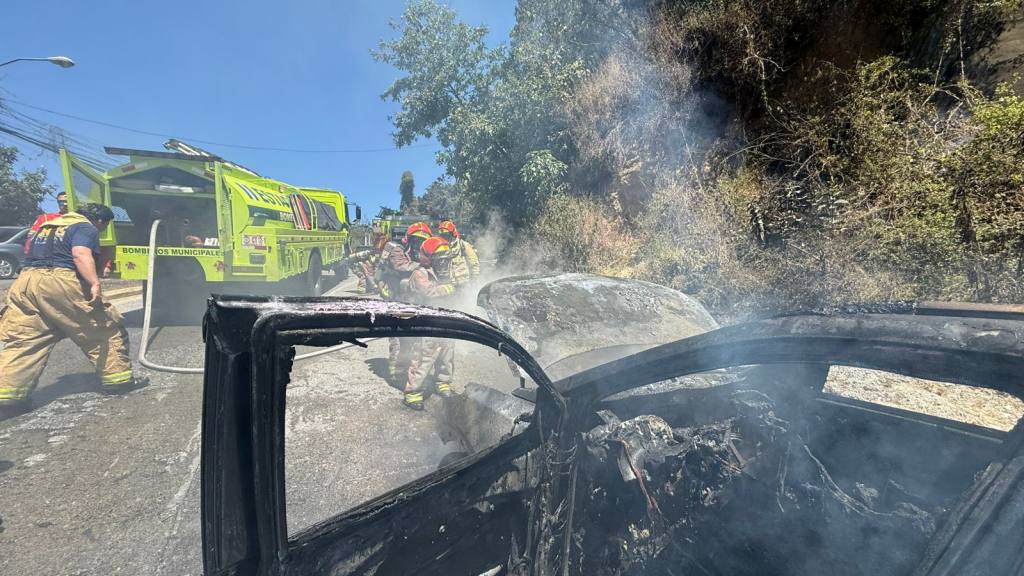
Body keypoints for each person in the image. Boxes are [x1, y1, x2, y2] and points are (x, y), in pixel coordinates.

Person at [0, 203, 147, 418]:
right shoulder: (85, 227)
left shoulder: (48, 226)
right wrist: (94, 283)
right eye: (104, 227)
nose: (102, 231)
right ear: (99, 220)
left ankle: (8, 397)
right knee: (102, 330)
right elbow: (79, 253)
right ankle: (118, 381)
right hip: (60, 280)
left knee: (26, 339)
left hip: (26, 282)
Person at [401, 236, 456, 410]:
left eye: (446, 260)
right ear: (430, 259)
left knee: (447, 353)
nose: (444, 263)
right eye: (441, 260)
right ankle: (413, 393)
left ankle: (443, 383)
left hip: (443, 318)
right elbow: (429, 292)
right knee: (424, 357)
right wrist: (449, 288)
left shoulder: (444, 272)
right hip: (425, 321)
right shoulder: (420, 273)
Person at [377, 222, 432, 381]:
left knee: (411, 339)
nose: (418, 244)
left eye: (422, 241)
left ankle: (406, 369)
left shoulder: (415, 253)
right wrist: (424, 265)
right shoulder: (396, 249)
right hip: (392, 299)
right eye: (416, 240)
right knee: (397, 339)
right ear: (409, 239)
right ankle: (395, 375)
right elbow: (402, 267)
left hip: (406, 300)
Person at [437, 220, 480, 288]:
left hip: (464, 284)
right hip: (449, 286)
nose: (444, 237)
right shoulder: (439, 249)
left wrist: (474, 280)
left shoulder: (463, 245)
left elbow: (474, 263)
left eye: (446, 235)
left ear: (452, 234)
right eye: (442, 235)